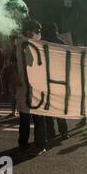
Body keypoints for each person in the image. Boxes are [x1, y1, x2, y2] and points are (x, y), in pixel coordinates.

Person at [15, 20, 47, 156]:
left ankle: (28, 143)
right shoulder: (24, 45)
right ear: (30, 31)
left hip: (31, 86)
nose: (39, 34)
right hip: (29, 86)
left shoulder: (22, 44)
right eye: (37, 31)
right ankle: (34, 143)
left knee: (29, 116)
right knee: (32, 116)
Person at [41, 22, 69, 140]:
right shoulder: (61, 43)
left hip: (47, 80)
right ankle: (63, 132)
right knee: (59, 108)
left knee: (48, 108)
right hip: (59, 80)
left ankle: (51, 132)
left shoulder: (43, 43)